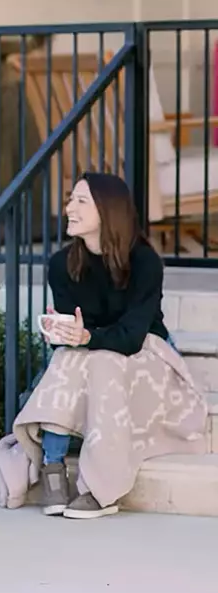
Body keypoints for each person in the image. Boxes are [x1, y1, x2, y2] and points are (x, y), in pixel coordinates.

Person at [13, 172, 207, 520]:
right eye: (70, 200)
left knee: (102, 361)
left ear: (108, 210)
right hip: (91, 356)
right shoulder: (61, 265)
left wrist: (87, 338)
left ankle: (102, 488)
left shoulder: (144, 262)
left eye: (81, 201)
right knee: (70, 356)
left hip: (147, 352)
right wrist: (62, 333)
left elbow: (132, 337)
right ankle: (53, 467)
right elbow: (76, 333)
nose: (69, 208)